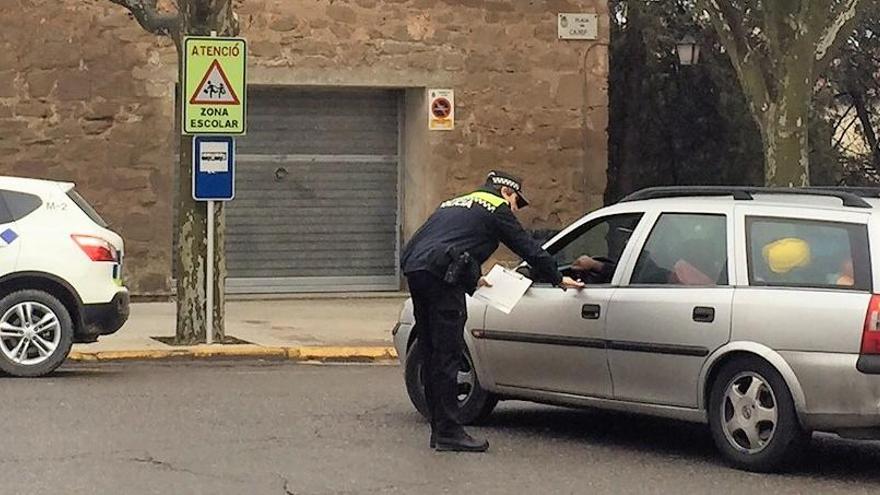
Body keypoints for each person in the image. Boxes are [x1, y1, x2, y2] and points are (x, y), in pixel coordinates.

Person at [401, 170, 584, 453]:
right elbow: (527, 247)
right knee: (448, 354)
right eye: (516, 202)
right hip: (441, 279)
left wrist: (473, 278)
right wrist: (557, 277)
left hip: (416, 270)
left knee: (431, 352)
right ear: (505, 193)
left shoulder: (454, 203)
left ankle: (441, 430)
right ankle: (449, 432)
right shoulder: (496, 208)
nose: (515, 209)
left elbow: (444, 242)